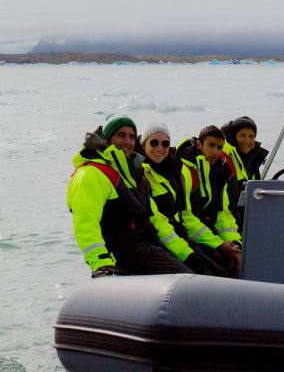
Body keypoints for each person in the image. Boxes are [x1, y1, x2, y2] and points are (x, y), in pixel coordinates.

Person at [67, 114, 208, 277]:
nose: (127, 141)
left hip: (147, 249)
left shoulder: (133, 175)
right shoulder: (91, 174)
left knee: (198, 272)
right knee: (187, 282)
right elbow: (86, 224)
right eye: (121, 135)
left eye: (132, 136)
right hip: (121, 256)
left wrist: (186, 254)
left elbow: (156, 220)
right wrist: (101, 263)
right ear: (107, 138)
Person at [139, 122, 233, 276]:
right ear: (143, 145)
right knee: (206, 271)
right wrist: (188, 254)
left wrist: (224, 244)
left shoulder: (173, 173)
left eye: (165, 143)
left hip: (180, 237)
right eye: (154, 142)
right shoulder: (142, 176)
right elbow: (158, 223)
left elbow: (186, 215)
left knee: (221, 266)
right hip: (161, 242)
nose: (160, 148)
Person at [177, 125, 243, 276]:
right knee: (221, 267)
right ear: (199, 144)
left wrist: (234, 243)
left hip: (207, 232)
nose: (215, 152)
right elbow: (185, 218)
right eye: (211, 146)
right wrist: (219, 245)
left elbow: (223, 214)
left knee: (242, 256)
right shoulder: (185, 171)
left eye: (219, 147)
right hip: (188, 234)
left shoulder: (221, 171)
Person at [220, 116, 269, 220]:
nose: (247, 140)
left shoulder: (253, 158)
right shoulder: (222, 157)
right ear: (233, 136)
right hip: (227, 220)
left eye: (251, 136)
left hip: (245, 219)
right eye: (242, 135)